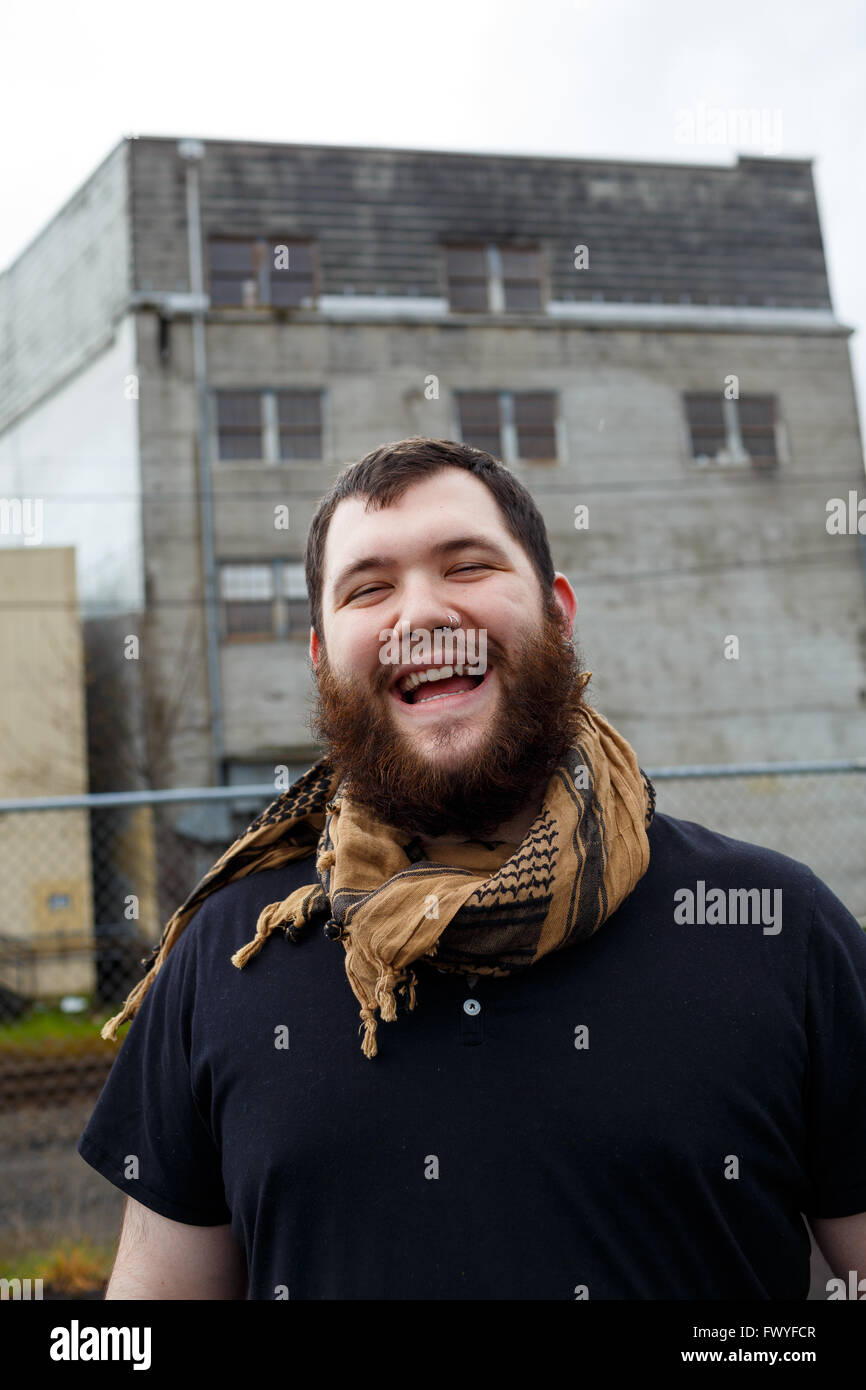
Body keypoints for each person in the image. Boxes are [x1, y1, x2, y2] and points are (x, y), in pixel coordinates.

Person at [78, 437, 866, 1300]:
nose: (421, 615)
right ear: (320, 657)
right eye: (369, 588)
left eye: (468, 566)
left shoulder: (774, 925)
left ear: (559, 614)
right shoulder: (227, 955)